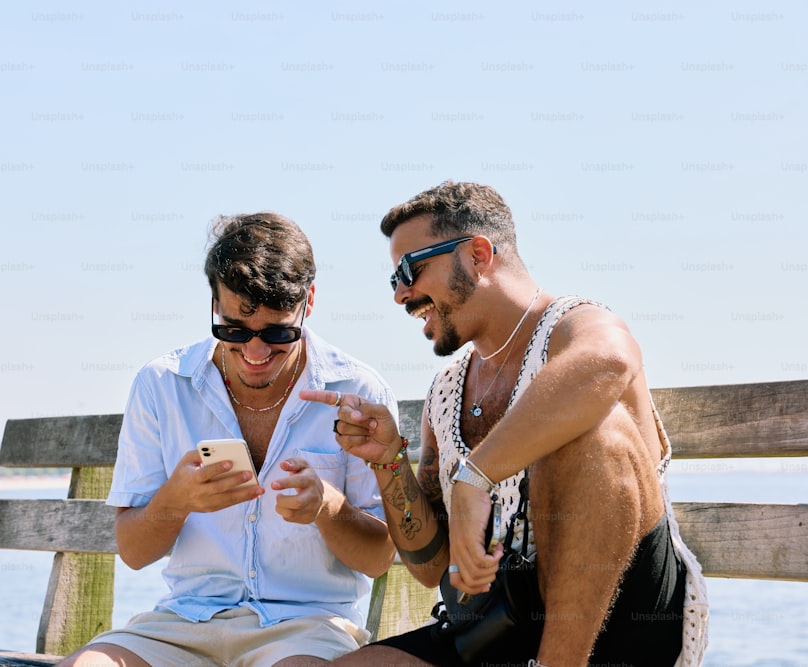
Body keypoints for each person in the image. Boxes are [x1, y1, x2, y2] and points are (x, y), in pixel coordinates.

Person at [302, 181, 709, 667]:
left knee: (598, 431)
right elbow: (433, 567)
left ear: (477, 254)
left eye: (411, 270)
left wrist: (477, 475)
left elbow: (611, 359)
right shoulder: (446, 391)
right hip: (499, 627)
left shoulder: (573, 327)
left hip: (622, 618)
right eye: (394, 281)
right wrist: (389, 462)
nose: (401, 295)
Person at [60, 212, 399, 667]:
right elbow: (135, 552)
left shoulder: (358, 392)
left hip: (305, 629)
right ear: (213, 304)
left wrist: (326, 508)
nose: (255, 353)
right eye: (234, 331)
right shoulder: (162, 384)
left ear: (309, 302)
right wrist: (174, 500)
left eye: (278, 333)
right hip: (181, 626)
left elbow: (378, 559)